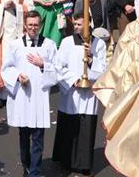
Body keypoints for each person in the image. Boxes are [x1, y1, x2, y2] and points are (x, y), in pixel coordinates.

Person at [1, 11, 58, 177]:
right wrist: (18, 77)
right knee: (24, 136)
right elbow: (6, 68)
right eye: (30, 24)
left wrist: (43, 64)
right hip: (22, 97)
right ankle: (26, 166)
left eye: (36, 25)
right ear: (25, 25)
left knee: (38, 138)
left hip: (39, 98)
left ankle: (34, 172)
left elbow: (57, 69)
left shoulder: (48, 45)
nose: (33, 28)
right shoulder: (15, 45)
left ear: (40, 26)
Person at [52, 12, 107, 175]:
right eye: (74, 24)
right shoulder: (67, 42)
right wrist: (73, 80)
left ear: (89, 24)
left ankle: (84, 164)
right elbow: (59, 66)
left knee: (86, 127)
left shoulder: (99, 45)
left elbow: (103, 70)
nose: (75, 27)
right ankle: (66, 161)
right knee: (69, 126)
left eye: (79, 24)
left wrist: (91, 59)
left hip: (88, 93)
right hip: (71, 92)